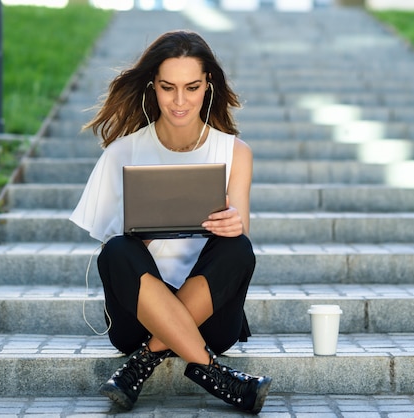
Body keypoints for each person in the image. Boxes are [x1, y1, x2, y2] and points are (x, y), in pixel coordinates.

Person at [69, 30, 272, 414]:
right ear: (153, 87)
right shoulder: (122, 152)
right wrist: (138, 235)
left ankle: (141, 365)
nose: (180, 101)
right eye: (168, 88)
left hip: (212, 320)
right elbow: (112, 256)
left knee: (239, 246)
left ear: (208, 85)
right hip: (137, 318)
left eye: (192, 87)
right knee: (116, 250)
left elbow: (240, 226)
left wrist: (232, 223)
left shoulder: (236, 152)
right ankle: (216, 375)